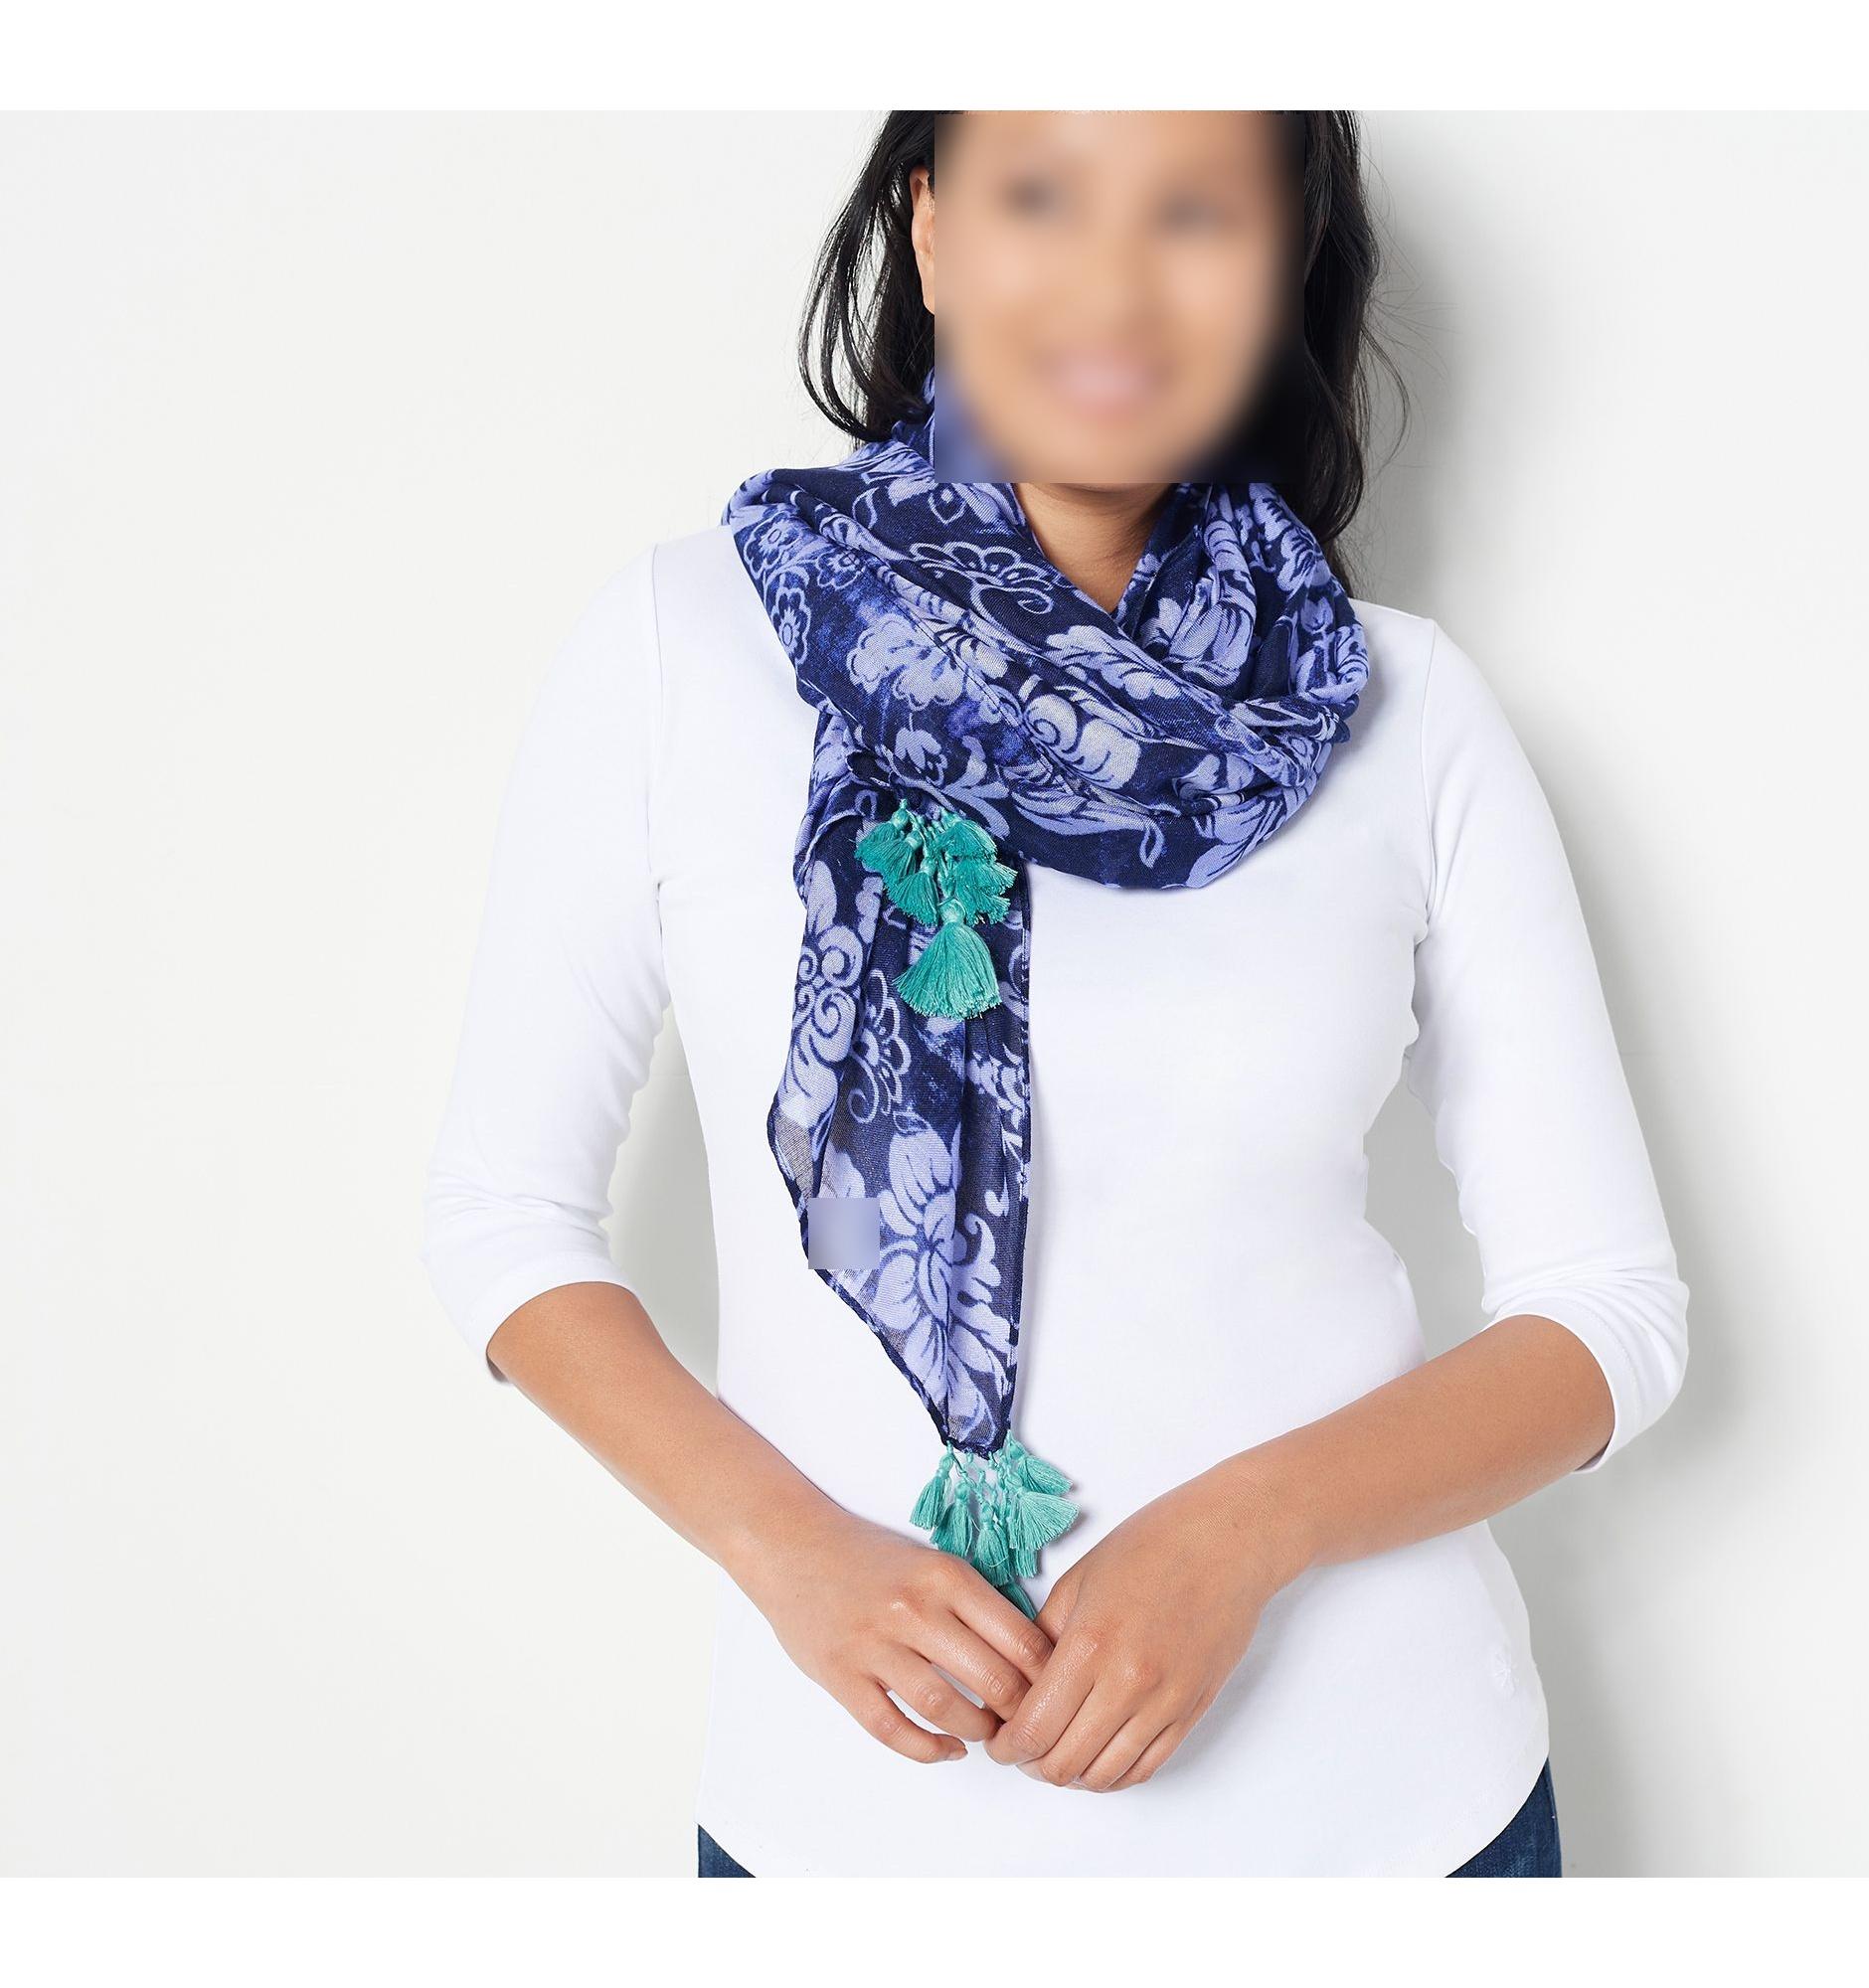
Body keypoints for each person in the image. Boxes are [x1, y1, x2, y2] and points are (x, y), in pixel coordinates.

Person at [421, 110, 1686, 1879]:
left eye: (1194, 217)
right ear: (930, 231)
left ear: (1285, 267)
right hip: (849, 1839)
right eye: (1039, 199)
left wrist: (1246, 1532)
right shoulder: (680, 649)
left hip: (1395, 1821)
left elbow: (1609, 1314)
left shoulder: (1402, 710)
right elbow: (505, 1224)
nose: (1113, 285)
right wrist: (794, 1551)